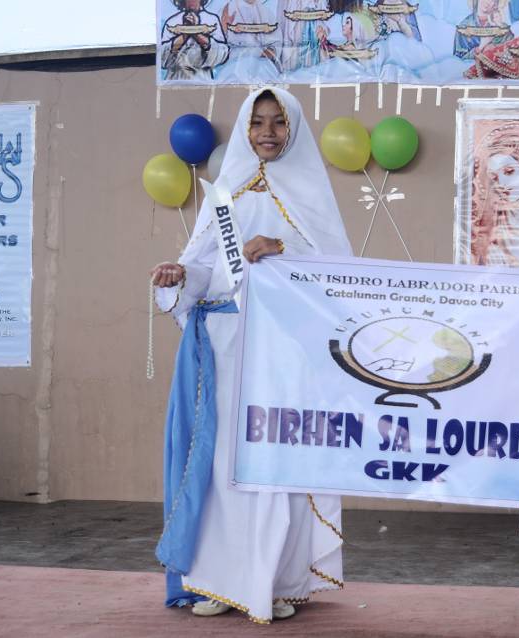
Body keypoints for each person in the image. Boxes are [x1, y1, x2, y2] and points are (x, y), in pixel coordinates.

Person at [150, 87, 352, 624]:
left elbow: (338, 277)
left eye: (278, 123)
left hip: (282, 352)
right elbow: (203, 269)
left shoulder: (312, 195)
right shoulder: (224, 193)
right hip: (222, 349)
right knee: (222, 467)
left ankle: (279, 581)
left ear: (294, 130)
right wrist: (178, 275)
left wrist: (284, 251)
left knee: (275, 461)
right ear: (244, 128)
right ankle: (220, 580)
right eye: (257, 122)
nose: (267, 132)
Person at [161, 0, 231, 81]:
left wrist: (196, 33)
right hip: (176, 79)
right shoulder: (172, 21)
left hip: (203, 79)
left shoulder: (212, 20)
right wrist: (185, 33)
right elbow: (162, 58)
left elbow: (223, 54)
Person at [218, 0, 282, 80]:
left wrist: (270, 51)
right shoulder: (227, 10)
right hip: (234, 65)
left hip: (261, 65)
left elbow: (276, 42)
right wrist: (224, 27)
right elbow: (217, 42)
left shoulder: (266, 12)